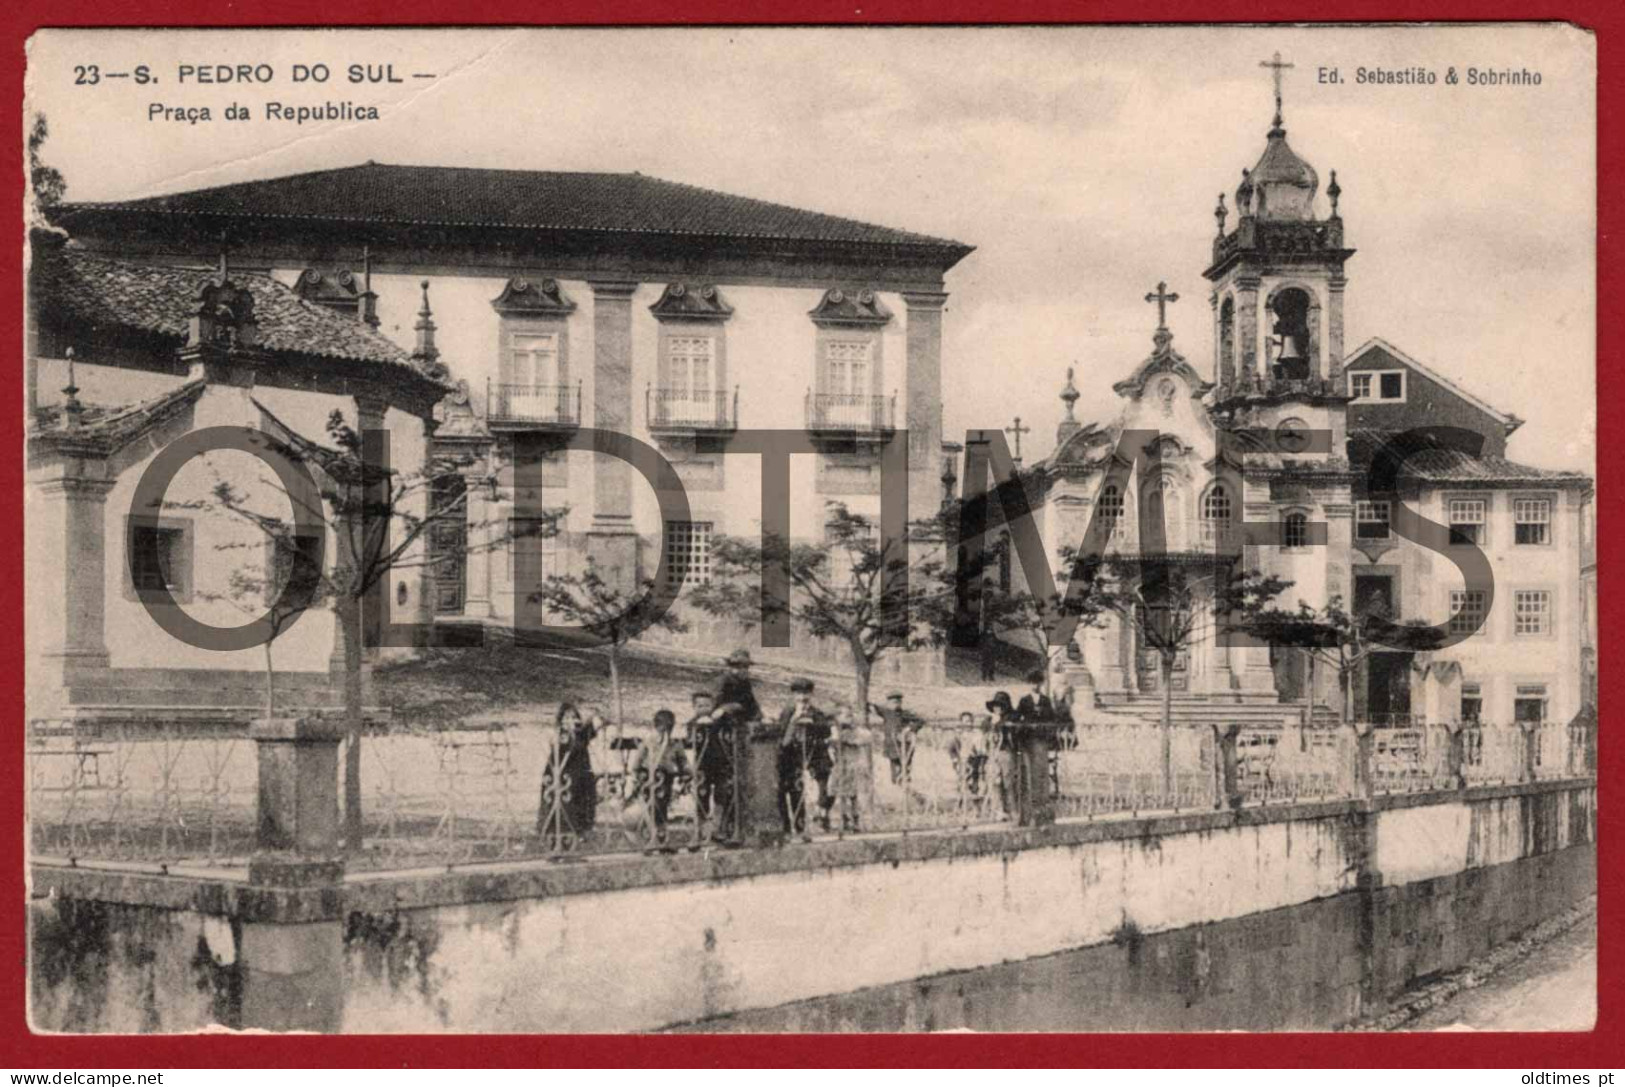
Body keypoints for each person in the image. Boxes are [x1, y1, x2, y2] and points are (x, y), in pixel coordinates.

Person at [776, 677, 833, 837]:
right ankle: (785, 828)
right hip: (789, 756)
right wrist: (795, 719)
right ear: (794, 695)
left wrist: (812, 722)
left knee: (803, 789)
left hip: (810, 754)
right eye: (799, 694)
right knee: (786, 790)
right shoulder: (788, 711)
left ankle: (802, 827)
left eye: (806, 694)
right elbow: (781, 735)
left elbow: (826, 731)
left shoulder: (816, 712)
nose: (802, 698)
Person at [538, 702, 599, 840]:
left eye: (573, 716)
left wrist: (590, 720)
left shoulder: (581, 733)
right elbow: (565, 750)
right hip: (562, 773)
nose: (570, 720)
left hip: (580, 772)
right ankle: (561, 829)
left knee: (586, 788)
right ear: (561, 719)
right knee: (567, 795)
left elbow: (594, 729)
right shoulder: (561, 735)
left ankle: (582, 829)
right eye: (567, 717)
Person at [628, 709, 689, 843]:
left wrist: (685, 772)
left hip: (665, 778)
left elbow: (683, 761)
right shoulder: (648, 742)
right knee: (648, 804)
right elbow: (638, 759)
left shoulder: (675, 745)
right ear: (655, 727)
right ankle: (648, 833)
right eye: (661, 727)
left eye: (669, 728)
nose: (664, 732)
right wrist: (636, 773)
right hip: (647, 777)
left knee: (661, 805)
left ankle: (661, 834)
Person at [830, 706, 874, 832]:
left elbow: (867, 737)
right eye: (846, 716)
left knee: (853, 794)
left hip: (853, 764)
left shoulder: (856, 731)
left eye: (850, 716)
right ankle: (845, 819)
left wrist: (852, 739)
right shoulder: (836, 730)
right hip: (841, 764)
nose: (849, 719)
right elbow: (834, 741)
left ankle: (855, 820)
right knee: (843, 793)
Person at [869, 690, 924, 786]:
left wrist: (909, 729)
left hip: (904, 747)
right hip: (891, 746)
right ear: (888, 703)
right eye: (893, 702)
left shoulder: (904, 714)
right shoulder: (886, 712)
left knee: (904, 772)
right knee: (895, 775)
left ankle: (908, 792)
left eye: (898, 702)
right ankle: (902, 789)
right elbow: (873, 707)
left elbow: (921, 721)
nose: (896, 705)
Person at [986, 691, 1019, 818]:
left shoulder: (1011, 718)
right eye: (995, 706)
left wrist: (998, 723)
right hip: (994, 753)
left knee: (1008, 782)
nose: (997, 708)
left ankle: (1013, 810)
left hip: (1007, 752)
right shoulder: (990, 719)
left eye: (1000, 705)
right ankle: (999, 810)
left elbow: (1011, 734)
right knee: (995, 781)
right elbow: (985, 730)